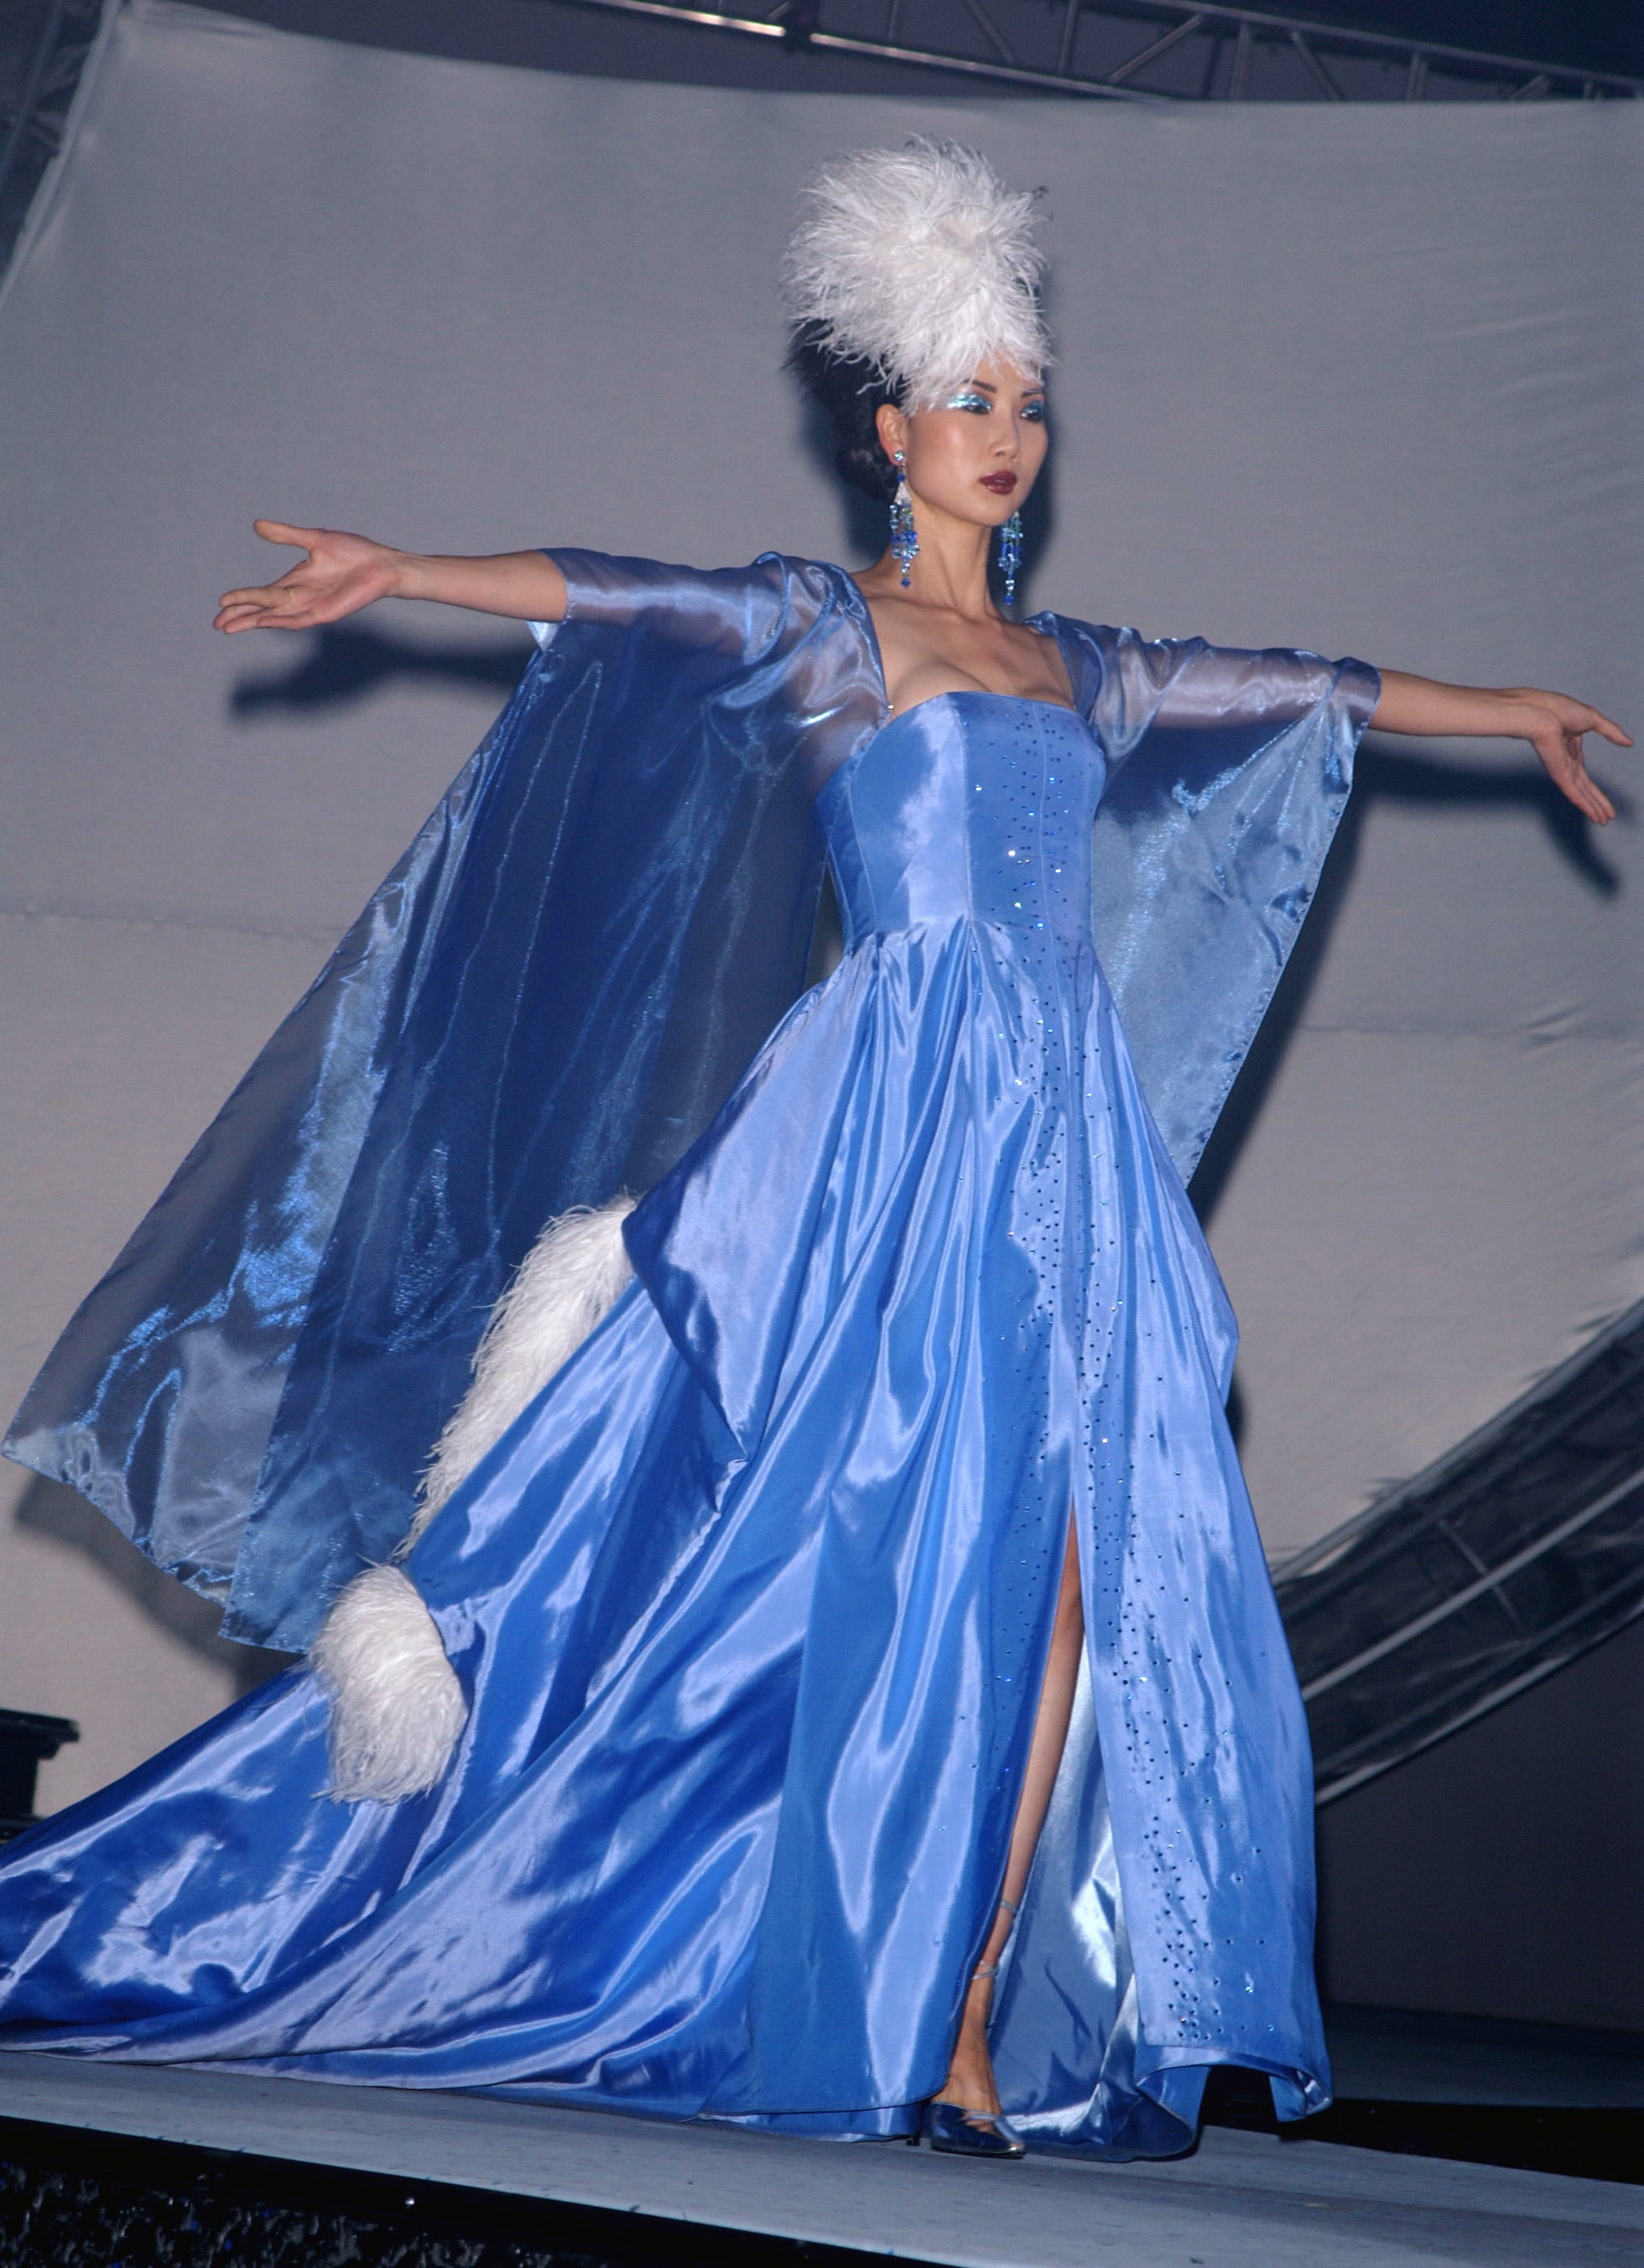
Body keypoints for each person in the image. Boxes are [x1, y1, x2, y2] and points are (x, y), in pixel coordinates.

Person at [0, 141, 1626, 2161]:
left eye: (1028, 401)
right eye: (970, 399)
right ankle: (759, 1942)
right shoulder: (827, 631)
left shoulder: (1077, 666)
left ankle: (958, 2023)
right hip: (884, 1125)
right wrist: (402, 572)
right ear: (890, 428)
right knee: (846, 1526)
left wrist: (1515, 707)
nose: (1006, 432)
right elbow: (618, 592)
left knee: (1071, 1573)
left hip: (1062, 1136)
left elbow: (1311, 685)